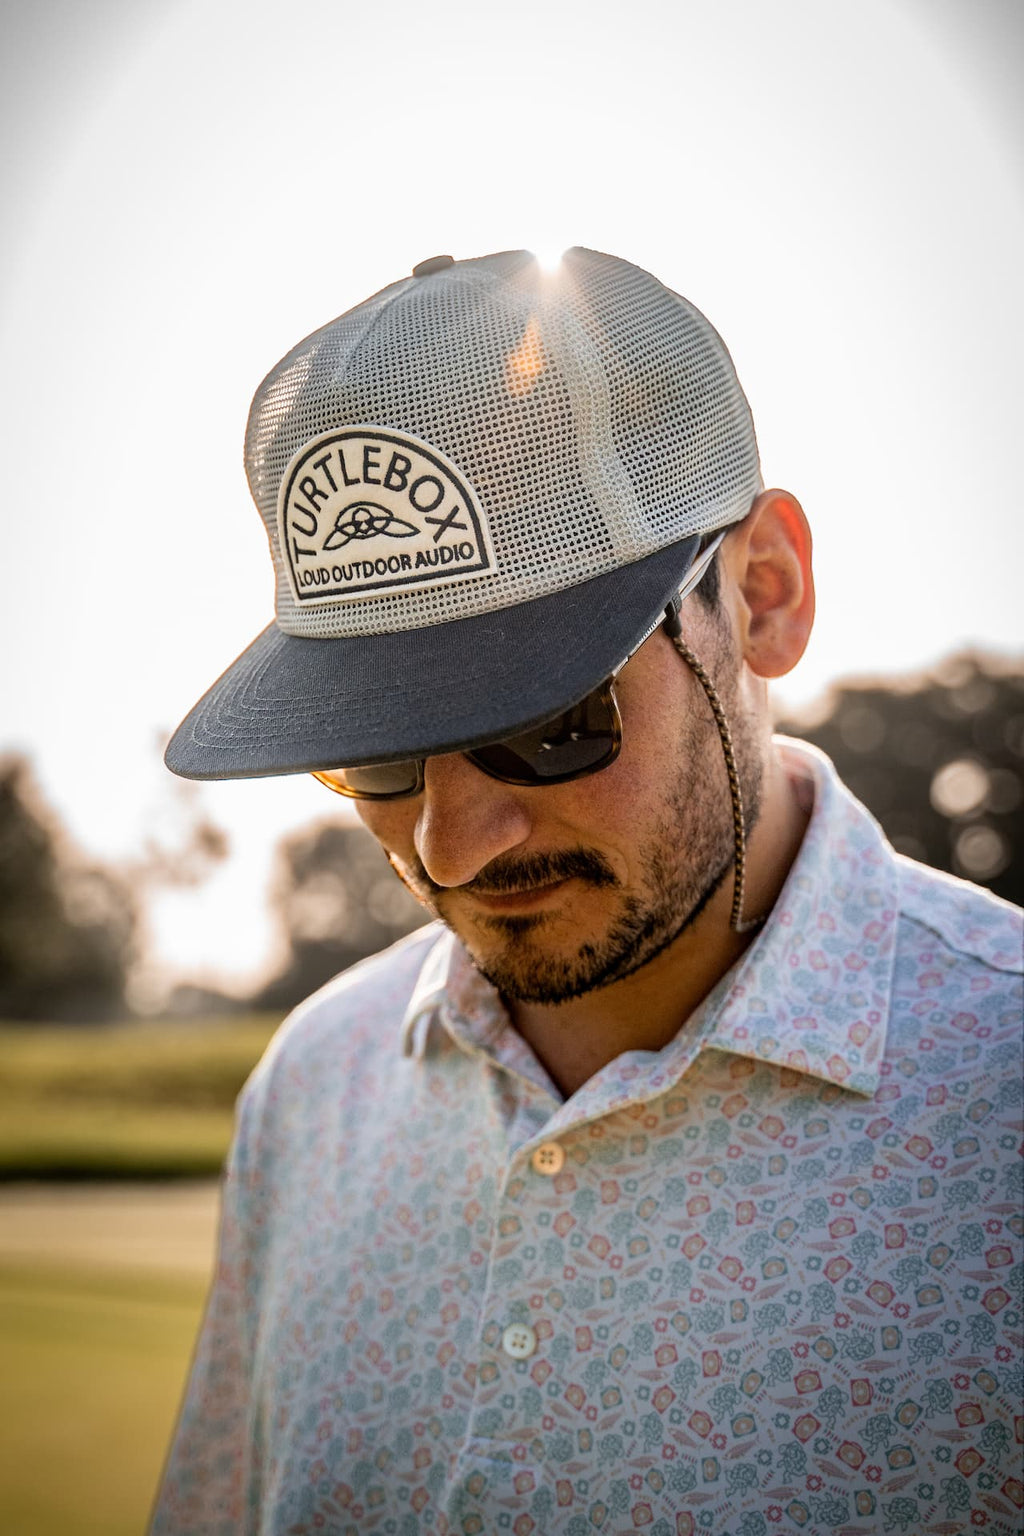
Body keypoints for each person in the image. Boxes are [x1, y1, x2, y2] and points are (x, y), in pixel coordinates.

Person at [153, 249, 1023, 1536]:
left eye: (548, 719)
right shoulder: (311, 1087)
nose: (450, 848)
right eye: (377, 753)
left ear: (764, 595)